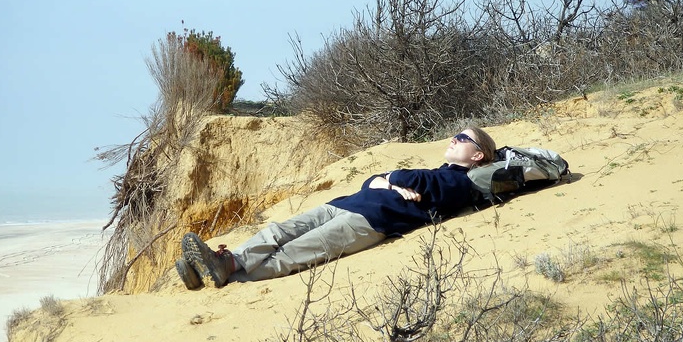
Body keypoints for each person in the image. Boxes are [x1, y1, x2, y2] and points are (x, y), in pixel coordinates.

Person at [175, 126, 496, 289]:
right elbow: (374, 179)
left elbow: (402, 175)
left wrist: (392, 179)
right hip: (347, 204)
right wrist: (388, 183)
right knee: (280, 231)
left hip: (370, 221)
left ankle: (224, 275)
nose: (453, 139)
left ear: (478, 155)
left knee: (294, 254)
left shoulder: (459, 182)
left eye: (462, 138)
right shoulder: (438, 174)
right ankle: (225, 262)